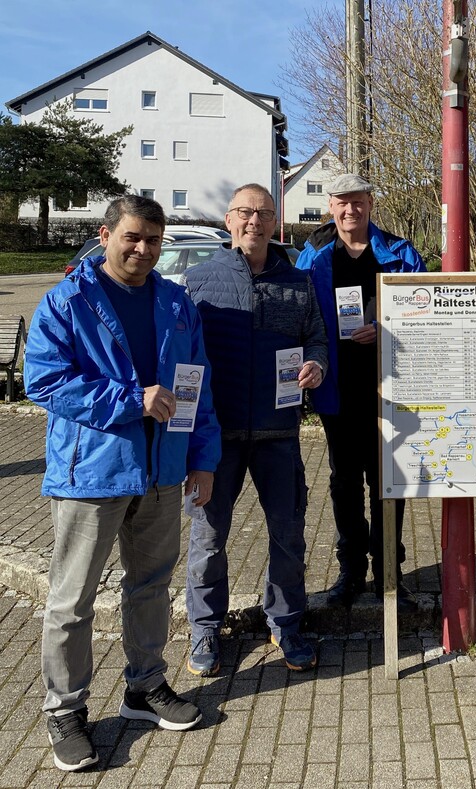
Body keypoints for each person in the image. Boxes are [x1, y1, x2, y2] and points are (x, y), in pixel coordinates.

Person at [24, 195, 221, 772]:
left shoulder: (176, 301)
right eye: (133, 237)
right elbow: (45, 380)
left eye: (153, 241)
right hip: (93, 473)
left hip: (162, 473)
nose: (143, 249)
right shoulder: (68, 301)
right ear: (107, 234)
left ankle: (144, 687)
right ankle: (65, 709)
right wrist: (130, 402)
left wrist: (202, 458)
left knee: (151, 586)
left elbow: (195, 386)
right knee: (71, 600)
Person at [184, 184, 328, 676]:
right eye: (246, 212)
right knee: (208, 538)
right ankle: (205, 628)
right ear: (229, 221)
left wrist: (317, 366)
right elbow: (180, 354)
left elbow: (317, 341)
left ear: (275, 223)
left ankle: (286, 623)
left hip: (278, 435)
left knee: (288, 536)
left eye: (265, 214)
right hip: (214, 439)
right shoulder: (198, 280)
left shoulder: (300, 282)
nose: (255, 222)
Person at [296, 174, 426, 613]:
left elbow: (427, 316)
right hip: (337, 390)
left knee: (390, 483)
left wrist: (387, 331)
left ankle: (390, 573)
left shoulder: (402, 253)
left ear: (370, 203)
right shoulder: (313, 256)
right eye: (341, 203)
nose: (349, 210)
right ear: (330, 207)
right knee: (344, 482)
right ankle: (350, 570)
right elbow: (298, 316)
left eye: (357, 202)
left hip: (392, 390)